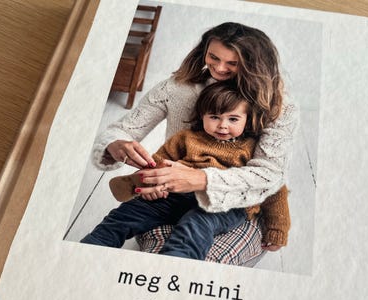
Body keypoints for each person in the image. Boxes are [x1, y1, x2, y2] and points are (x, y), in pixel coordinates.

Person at [91, 22, 298, 257]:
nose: (219, 68)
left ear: (255, 66)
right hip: (172, 194)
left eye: (232, 63)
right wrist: (117, 145)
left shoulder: (279, 108)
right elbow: (127, 132)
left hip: (234, 200)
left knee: (195, 235)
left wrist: (200, 180)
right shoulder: (177, 94)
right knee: (121, 218)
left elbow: (270, 176)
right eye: (213, 57)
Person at [81, 82, 290, 259]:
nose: (222, 125)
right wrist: (152, 185)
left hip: (227, 203)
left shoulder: (251, 148)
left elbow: (272, 187)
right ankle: (90, 249)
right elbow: (160, 163)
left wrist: (277, 228)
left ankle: (175, 264)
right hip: (176, 195)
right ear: (202, 115)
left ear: (247, 119)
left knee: (196, 224)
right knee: (128, 213)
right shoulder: (187, 138)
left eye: (233, 119)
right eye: (214, 117)